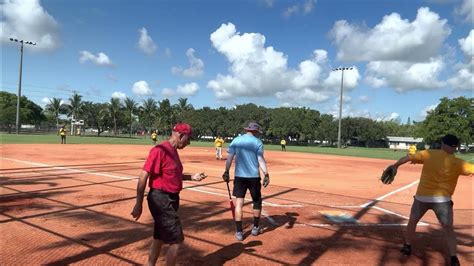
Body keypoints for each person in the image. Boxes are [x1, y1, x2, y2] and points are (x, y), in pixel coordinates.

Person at [386, 134, 473, 266]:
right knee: (448, 229)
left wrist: (395, 165)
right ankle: (454, 258)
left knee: (413, 222)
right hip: (443, 201)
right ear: (455, 147)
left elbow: (408, 158)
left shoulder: (429, 154)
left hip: (422, 198)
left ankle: (407, 246)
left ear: (443, 144)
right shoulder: (459, 163)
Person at [131, 123, 207, 266]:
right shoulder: (159, 150)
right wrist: (138, 203)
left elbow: (173, 174)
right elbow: (143, 176)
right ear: (180, 135)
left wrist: (192, 177)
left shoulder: (173, 151)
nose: (189, 143)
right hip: (161, 199)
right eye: (188, 139)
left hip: (170, 198)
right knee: (176, 241)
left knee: (159, 237)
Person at [222, 122, 270, 241]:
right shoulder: (258, 142)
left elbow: (229, 158)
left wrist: (226, 171)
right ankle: (255, 228)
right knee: (257, 201)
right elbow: (260, 159)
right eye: (258, 132)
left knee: (239, 203)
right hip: (253, 177)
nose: (258, 134)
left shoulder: (236, 140)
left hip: (239, 176)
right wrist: (266, 174)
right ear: (255, 131)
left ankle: (239, 232)